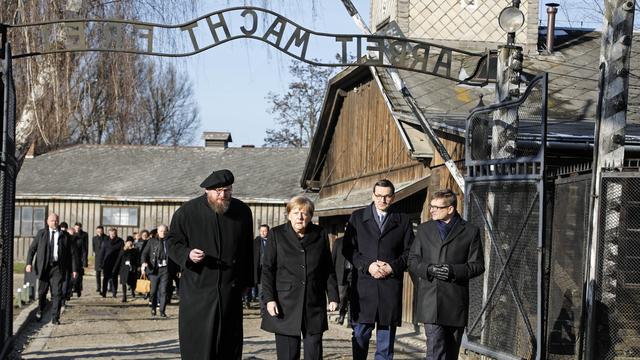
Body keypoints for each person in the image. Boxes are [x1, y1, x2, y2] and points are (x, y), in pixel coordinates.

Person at [167, 169, 254, 359]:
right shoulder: (187, 212)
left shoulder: (242, 212)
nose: (223, 195)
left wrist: (247, 281)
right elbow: (172, 243)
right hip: (198, 290)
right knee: (198, 344)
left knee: (228, 343)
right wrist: (187, 253)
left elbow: (248, 249)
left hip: (229, 291)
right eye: (219, 191)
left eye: (228, 190)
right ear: (207, 190)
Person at [408, 189, 485, 360]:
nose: (432, 210)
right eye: (431, 206)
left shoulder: (470, 231)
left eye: (437, 207)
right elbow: (412, 261)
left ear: (450, 209)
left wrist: (453, 271)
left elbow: (478, 266)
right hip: (430, 301)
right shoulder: (424, 229)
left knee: (450, 354)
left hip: (455, 302)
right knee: (435, 350)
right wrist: (428, 269)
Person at [342, 179, 414, 360]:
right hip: (364, 287)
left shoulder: (403, 220)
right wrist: (368, 265)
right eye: (379, 195)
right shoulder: (358, 217)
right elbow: (348, 249)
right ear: (373, 195)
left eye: (387, 196)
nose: (383, 199)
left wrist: (392, 267)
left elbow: (410, 252)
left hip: (389, 286)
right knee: (360, 336)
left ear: (393, 197)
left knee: (385, 343)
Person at [261, 196, 339, 360]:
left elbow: (327, 268)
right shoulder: (276, 234)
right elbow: (268, 269)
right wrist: (269, 299)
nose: (300, 217)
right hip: (285, 303)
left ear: (311, 216)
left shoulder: (320, 234)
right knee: (288, 355)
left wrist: (333, 296)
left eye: (305, 213)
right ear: (289, 215)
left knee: (314, 352)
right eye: (296, 212)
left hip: (313, 302)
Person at [25, 213, 77, 325]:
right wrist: (29, 263)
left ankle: (55, 317)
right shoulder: (41, 234)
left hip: (58, 268)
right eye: (52, 220)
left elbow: (72, 254)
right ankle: (40, 310)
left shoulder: (65, 235)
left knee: (57, 293)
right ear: (47, 221)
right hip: (44, 267)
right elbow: (32, 249)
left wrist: (74, 269)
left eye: (56, 220)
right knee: (42, 292)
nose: (55, 222)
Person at [142, 225, 171, 317]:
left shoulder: (170, 242)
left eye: (165, 231)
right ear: (157, 232)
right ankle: (153, 308)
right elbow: (144, 253)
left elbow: (174, 256)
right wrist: (144, 262)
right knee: (153, 291)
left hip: (165, 269)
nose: (163, 233)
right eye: (161, 231)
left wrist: (178, 269)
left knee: (163, 291)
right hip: (154, 269)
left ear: (167, 232)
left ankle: (162, 311)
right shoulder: (151, 241)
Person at [332, 233, 352, 326]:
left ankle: (350, 321)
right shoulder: (338, 242)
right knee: (342, 297)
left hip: (353, 273)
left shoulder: (357, 241)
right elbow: (333, 258)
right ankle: (341, 314)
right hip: (341, 274)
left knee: (352, 298)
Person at [247, 224, 269, 309]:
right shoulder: (256, 242)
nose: (263, 233)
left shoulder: (272, 241)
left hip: (269, 269)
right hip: (259, 270)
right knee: (261, 291)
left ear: (268, 232)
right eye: (261, 231)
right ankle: (263, 310)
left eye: (265, 231)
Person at [99, 228, 124, 298]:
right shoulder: (105, 241)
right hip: (106, 262)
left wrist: (120, 263)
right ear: (109, 233)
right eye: (111, 233)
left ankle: (114, 292)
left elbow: (121, 253)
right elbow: (102, 252)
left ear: (116, 233)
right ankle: (104, 293)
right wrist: (101, 263)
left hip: (116, 262)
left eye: (114, 233)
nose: (112, 235)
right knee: (105, 278)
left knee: (114, 278)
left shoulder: (120, 241)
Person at [117, 237, 140, 303]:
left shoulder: (135, 250)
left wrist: (138, 266)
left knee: (132, 282)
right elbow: (119, 258)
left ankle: (132, 291)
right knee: (124, 282)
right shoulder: (123, 249)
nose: (129, 243)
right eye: (128, 242)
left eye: (131, 242)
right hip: (124, 268)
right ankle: (124, 296)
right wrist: (125, 249)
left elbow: (137, 259)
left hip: (132, 268)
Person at [73, 222, 89, 297]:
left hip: (80, 257)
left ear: (81, 227)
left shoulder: (84, 235)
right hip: (72, 256)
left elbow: (85, 248)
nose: (77, 229)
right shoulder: (71, 233)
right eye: (76, 227)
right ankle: (73, 288)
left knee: (79, 274)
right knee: (72, 274)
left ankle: (79, 288)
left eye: (79, 228)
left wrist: (85, 260)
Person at [92, 225, 108, 293]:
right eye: (98, 231)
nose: (99, 232)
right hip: (98, 257)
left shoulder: (106, 237)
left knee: (106, 273)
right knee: (97, 273)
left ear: (103, 231)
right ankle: (98, 287)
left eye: (100, 231)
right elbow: (94, 246)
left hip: (105, 257)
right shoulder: (94, 238)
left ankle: (106, 287)